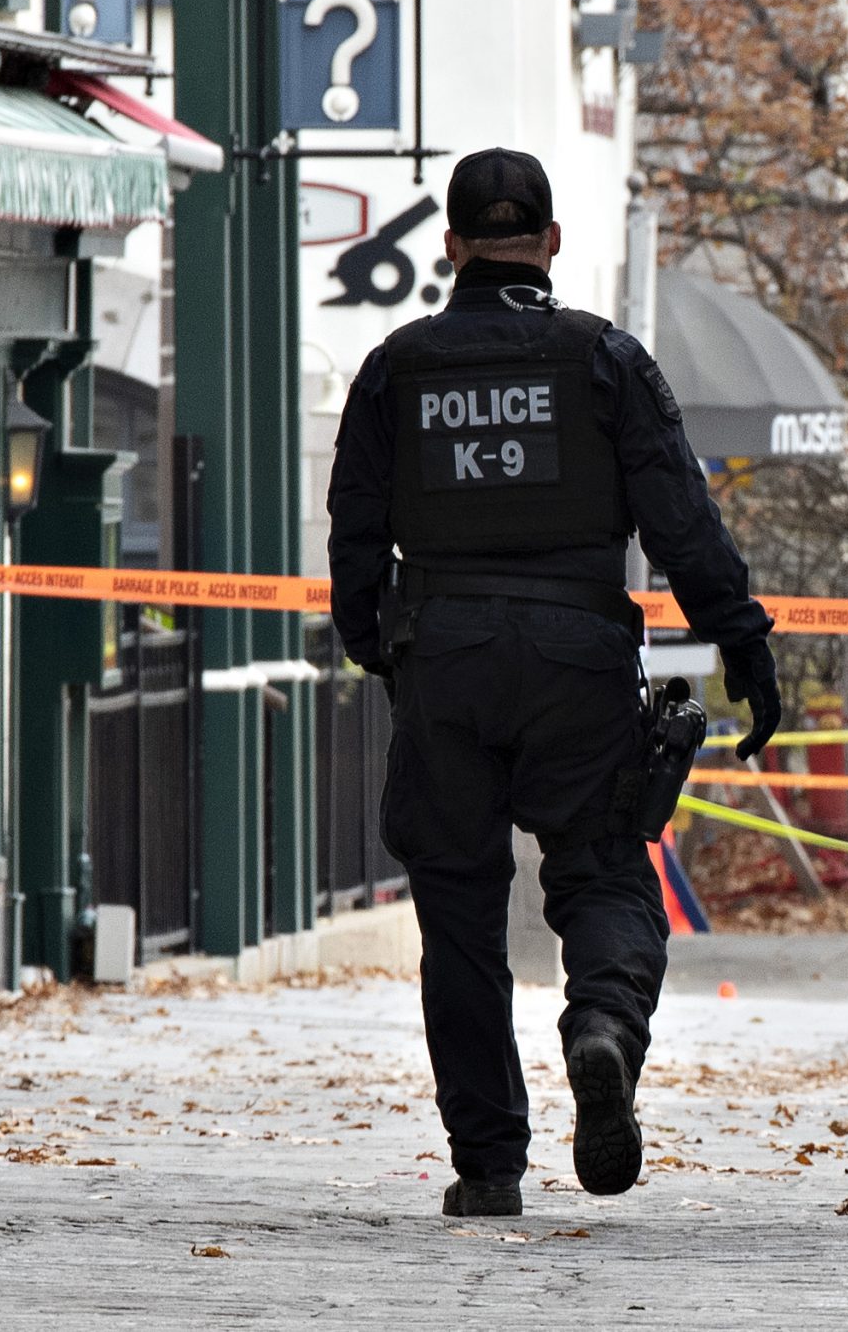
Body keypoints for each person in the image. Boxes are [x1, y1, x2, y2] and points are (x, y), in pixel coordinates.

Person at [327, 148, 784, 1218]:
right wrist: (743, 644)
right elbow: (681, 520)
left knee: (459, 915)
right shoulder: (604, 360)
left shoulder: (396, 368)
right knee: (604, 873)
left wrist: (378, 647)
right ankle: (603, 1029)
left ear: (451, 247)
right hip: (579, 655)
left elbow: (354, 534)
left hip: (445, 655)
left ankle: (489, 1164)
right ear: (552, 242)